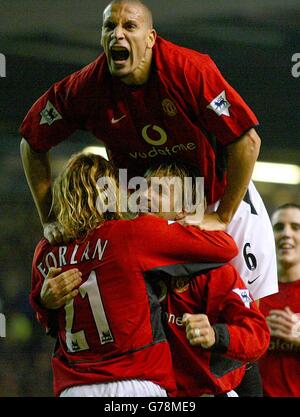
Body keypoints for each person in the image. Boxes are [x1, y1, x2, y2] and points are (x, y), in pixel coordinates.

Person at [20, 0, 277, 303]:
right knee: (156, 316)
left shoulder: (189, 70)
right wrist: (49, 218)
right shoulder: (87, 88)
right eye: (109, 27)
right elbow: (31, 142)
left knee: (244, 312)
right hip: (147, 210)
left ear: (151, 38)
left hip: (215, 198)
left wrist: (221, 216)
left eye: (129, 26)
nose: (117, 34)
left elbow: (247, 142)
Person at [30, 151, 239, 397]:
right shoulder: (133, 233)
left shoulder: (45, 250)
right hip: (137, 381)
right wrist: (195, 222)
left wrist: (42, 302)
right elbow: (225, 247)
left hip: (73, 386)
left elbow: (48, 326)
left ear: (62, 194)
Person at [143, 162, 270, 397]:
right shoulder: (128, 257)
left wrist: (215, 334)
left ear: (183, 210)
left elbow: (257, 335)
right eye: (144, 188)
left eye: (159, 191)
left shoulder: (215, 271)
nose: (144, 196)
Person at [258, 203, 300, 397]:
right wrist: (257, 331)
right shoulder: (254, 289)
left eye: (296, 227)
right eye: (278, 227)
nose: (286, 233)